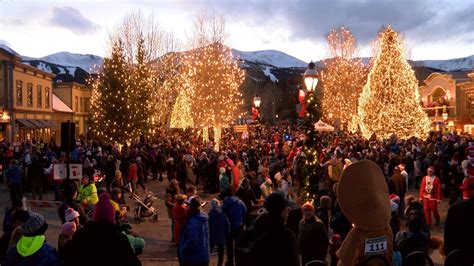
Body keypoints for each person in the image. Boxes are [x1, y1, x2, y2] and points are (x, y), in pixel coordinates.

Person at [63, 193, 141, 266]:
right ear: (112, 216)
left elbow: (68, 257)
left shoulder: (82, 234)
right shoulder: (119, 238)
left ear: (95, 215)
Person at [247, 192, 300, 266]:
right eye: (286, 208)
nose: (288, 210)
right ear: (281, 212)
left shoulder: (258, 228)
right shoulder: (287, 237)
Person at [444, 177, 474, 259]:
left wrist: (447, 251)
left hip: (458, 252)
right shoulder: (457, 207)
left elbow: (448, 231)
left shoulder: (456, 207)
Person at [179, 197, 210, 266]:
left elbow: (192, 240)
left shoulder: (193, 221)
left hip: (193, 258)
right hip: (203, 254)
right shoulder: (204, 219)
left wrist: (183, 250)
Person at [222, 187, 247, 266]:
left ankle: (230, 262)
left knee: (229, 247)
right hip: (238, 226)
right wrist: (242, 221)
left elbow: (222, 216)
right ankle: (238, 261)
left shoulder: (224, 204)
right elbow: (245, 211)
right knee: (238, 245)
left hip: (228, 228)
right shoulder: (240, 202)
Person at [208, 199, 230, 266]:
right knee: (221, 253)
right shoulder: (223, 214)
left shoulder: (209, 214)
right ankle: (219, 264)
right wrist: (227, 235)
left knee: (209, 251)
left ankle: (207, 263)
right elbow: (227, 225)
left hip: (212, 236)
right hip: (221, 236)